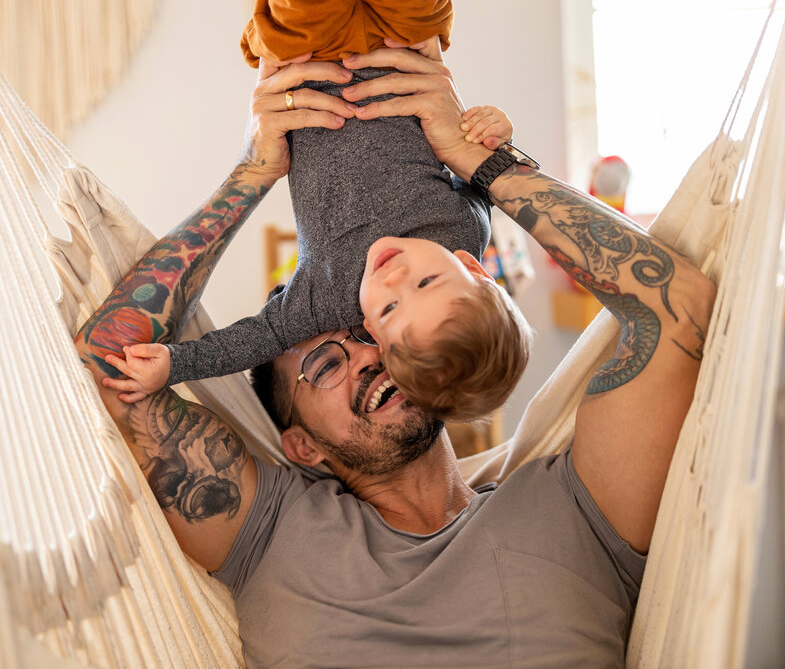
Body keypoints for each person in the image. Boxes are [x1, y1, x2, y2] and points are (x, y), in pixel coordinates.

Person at [75, 45, 715, 666]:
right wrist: (255, 172)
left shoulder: (575, 504)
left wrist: (476, 161)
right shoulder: (266, 529)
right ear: (302, 446)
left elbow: (679, 305)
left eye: (375, 330)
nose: (365, 353)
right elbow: (110, 361)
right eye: (324, 363)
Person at [99, 0, 528, 425]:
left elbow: (260, 338)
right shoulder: (465, 232)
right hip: (399, 45)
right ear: (471, 268)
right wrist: (495, 134)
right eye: (427, 281)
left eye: (390, 309)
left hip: (306, 59)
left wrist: (175, 365)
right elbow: (483, 172)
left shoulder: (329, 297)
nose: (395, 277)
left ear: (374, 335)